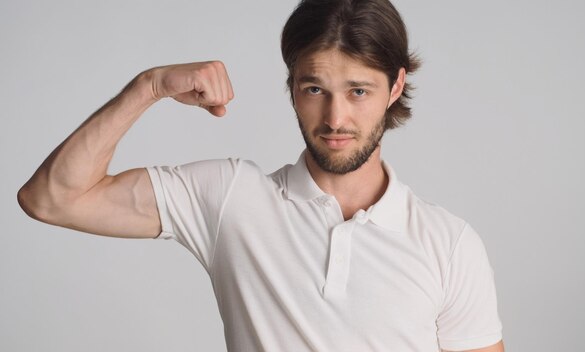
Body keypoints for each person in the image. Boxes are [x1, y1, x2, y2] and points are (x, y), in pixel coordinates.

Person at [18, 0, 504, 351]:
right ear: (291, 85)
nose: (335, 118)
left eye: (358, 91)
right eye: (315, 88)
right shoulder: (230, 198)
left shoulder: (449, 243)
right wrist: (149, 87)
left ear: (396, 85)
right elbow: (52, 199)